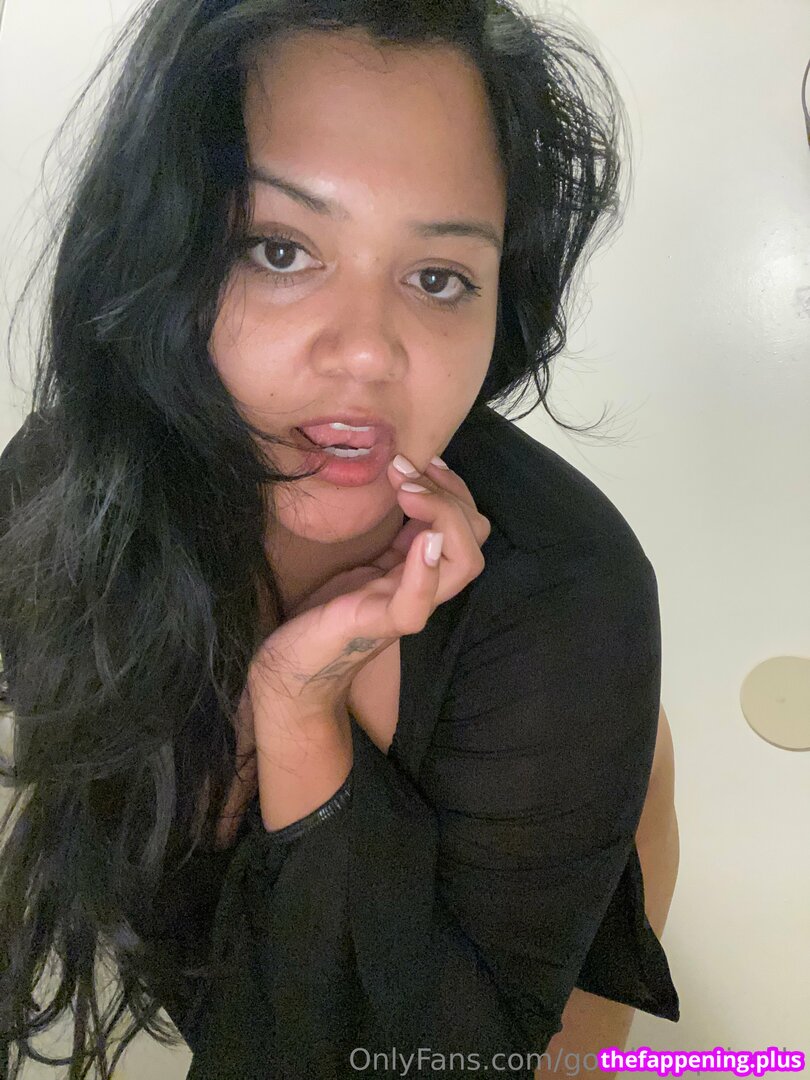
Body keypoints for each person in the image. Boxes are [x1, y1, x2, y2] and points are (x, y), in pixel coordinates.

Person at [0, 1, 680, 1078]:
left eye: (438, 277)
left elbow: (451, 1056)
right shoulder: (61, 488)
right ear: (161, 248)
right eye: (279, 250)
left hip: (552, 796)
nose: (367, 354)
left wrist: (298, 710)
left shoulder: (571, 605)